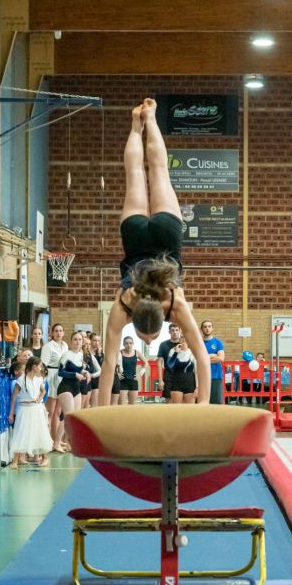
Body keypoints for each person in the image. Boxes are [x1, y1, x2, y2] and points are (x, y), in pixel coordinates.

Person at [98, 99, 210, 406]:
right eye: (150, 339)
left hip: (167, 235)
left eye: (146, 338)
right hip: (133, 235)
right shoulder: (123, 304)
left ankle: (152, 119)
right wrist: (203, 409)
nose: (149, 342)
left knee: (159, 171)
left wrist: (101, 416)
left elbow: (109, 366)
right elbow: (203, 359)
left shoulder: (176, 302)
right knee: (137, 172)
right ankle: (139, 123)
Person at [8, 358, 52, 468]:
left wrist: (39, 398)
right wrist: (11, 412)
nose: (41, 369)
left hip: (36, 408)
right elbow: (14, 396)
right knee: (20, 432)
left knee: (39, 432)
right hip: (24, 408)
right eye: (40, 366)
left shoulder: (38, 379)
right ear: (34, 367)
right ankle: (15, 461)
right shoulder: (21, 380)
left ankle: (45, 457)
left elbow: (43, 391)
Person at [56, 331, 90, 447]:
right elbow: (60, 372)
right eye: (75, 339)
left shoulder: (80, 355)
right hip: (65, 388)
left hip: (76, 388)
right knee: (68, 417)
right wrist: (75, 375)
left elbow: (79, 369)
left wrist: (85, 372)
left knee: (74, 417)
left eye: (80, 340)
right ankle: (56, 442)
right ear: (71, 341)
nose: (78, 342)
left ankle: (69, 442)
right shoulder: (67, 355)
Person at [40, 324, 68, 447]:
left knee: (58, 412)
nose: (58, 333)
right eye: (56, 331)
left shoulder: (65, 345)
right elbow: (43, 366)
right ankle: (46, 440)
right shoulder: (48, 347)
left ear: (63, 333)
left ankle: (55, 439)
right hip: (51, 376)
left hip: (62, 377)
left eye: (60, 331)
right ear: (52, 333)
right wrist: (42, 382)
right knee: (50, 412)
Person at [165, 337, 196, 404]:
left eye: (185, 337)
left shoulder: (193, 352)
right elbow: (170, 365)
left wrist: (197, 387)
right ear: (179, 339)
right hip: (176, 382)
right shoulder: (172, 351)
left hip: (190, 382)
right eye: (182, 337)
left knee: (190, 410)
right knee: (178, 409)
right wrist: (176, 353)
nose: (184, 339)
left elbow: (196, 371)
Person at [201, 319, 225, 404]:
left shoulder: (218, 342)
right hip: (201, 377)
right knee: (202, 403)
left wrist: (203, 359)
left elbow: (221, 358)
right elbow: (196, 358)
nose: (207, 328)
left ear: (212, 328)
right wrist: (212, 355)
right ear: (202, 329)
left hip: (215, 376)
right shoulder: (199, 342)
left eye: (209, 326)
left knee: (216, 403)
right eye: (205, 327)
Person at [157, 323, 182, 403]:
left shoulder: (184, 344)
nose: (174, 332)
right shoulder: (163, 345)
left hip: (182, 376)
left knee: (182, 403)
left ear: (179, 331)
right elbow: (159, 362)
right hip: (169, 376)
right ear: (169, 332)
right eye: (172, 330)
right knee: (169, 402)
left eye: (176, 330)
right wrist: (160, 380)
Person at [119, 335, 148, 405]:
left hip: (133, 381)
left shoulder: (136, 352)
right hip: (123, 381)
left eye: (130, 343)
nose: (128, 345)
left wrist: (140, 374)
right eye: (126, 343)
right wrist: (118, 374)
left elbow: (146, 363)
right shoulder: (119, 352)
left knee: (132, 404)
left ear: (133, 344)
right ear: (123, 344)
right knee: (121, 404)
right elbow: (112, 364)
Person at [87, 333, 103, 407]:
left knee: (95, 404)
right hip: (87, 379)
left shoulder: (101, 353)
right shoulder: (87, 352)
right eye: (94, 340)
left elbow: (102, 367)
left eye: (98, 341)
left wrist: (99, 354)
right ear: (90, 341)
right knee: (86, 404)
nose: (96, 343)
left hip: (97, 379)